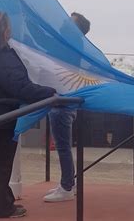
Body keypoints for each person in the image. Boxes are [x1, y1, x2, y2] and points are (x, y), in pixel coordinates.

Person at [0, 11, 56, 218]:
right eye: (8, 28)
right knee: (1, 162)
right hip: (2, 117)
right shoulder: (0, 56)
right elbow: (19, 86)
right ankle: (0, 207)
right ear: (3, 31)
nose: (11, 32)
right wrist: (51, 92)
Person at [43, 12, 91, 202]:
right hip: (65, 101)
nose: (63, 22)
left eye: (69, 22)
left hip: (63, 102)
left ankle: (67, 187)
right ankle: (68, 182)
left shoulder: (70, 45)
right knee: (64, 147)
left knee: (63, 147)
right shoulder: (72, 45)